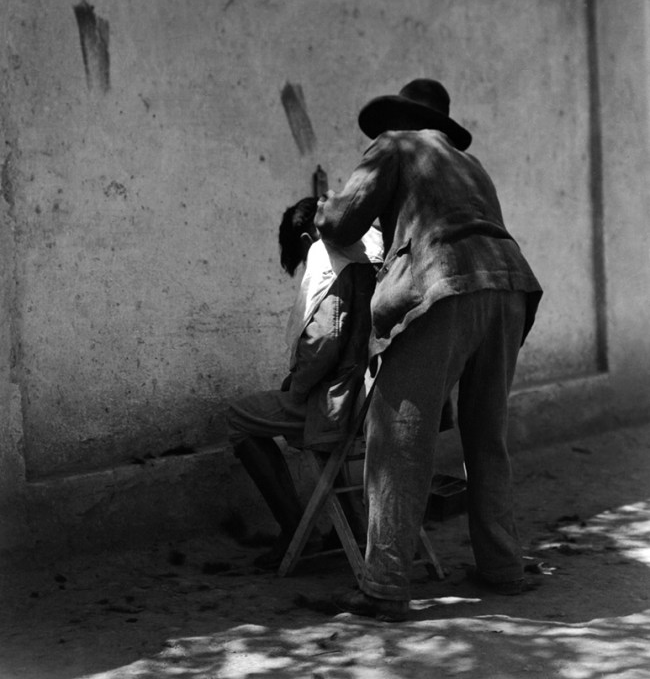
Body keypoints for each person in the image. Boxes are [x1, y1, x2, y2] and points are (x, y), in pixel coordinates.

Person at [315, 78, 543, 622]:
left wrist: (324, 206)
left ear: (402, 116)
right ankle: (503, 566)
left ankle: (386, 585)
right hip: (509, 288)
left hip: (443, 286)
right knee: (485, 434)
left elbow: (343, 221)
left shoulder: (394, 145)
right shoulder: (472, 165)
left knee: (398, 436)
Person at [226, 196, 383, 568]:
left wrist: (295, 387)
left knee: (238, 418)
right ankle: (354, 529)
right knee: (327, 431)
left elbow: (324, 338)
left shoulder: (327, 258)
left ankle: (297, 532)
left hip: (341, 405)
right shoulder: (370, 251)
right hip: (372, 401)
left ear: (303, 238)